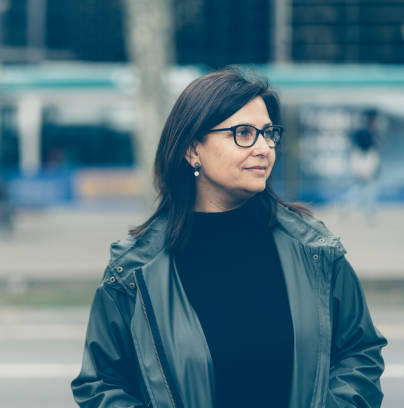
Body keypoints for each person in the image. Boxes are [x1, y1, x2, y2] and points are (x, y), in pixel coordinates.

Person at [71, 68, 387, 408]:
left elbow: (359, 353)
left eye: (268, 133)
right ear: (193, 150)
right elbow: (101, 385)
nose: (264, 148)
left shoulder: (316, 251)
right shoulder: (133, 272)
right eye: (243, 133)